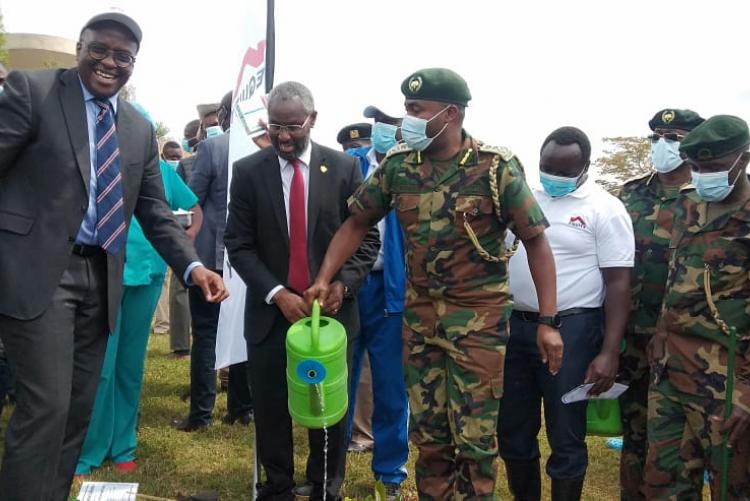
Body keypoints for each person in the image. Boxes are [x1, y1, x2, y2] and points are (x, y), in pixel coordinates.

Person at [305, 68, 562, 500]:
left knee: (475, 441)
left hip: (478, 324)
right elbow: (356, 222)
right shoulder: (399, 167)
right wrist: (323, 278)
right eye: (407, 108)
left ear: (451, 113)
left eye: (416, 110)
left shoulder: (494, 169)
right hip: (421, 323)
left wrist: (548, 320)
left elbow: (536, 243)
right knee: (430, 438)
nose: (407, 119)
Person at [0, 12, 227, 499]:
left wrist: (193, 265)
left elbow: (154, 210)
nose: (109, 62)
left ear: (133, 65)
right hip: (39, 274)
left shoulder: (137, 129)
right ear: (80, 48)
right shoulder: (31, 91)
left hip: (102, 278)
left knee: (78, 408)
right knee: (46, 406)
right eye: (99, 49)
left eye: (123, 57)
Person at [224, 81, 379, 501]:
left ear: (312, 120)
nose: (285, 136)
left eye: (293, 126)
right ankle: (277, 487)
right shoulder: (249, 171)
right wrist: (276, 292)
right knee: (272, 405)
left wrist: (342, 287)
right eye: (276, 126)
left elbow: (366, 239)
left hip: (329, 317)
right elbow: (237, 243)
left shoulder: (344, 169)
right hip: (272, 313)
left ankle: (325, 484)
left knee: (326, 407)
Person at [499, 126, 634, 501]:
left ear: (585, 168)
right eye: (547, 168)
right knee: (512, 430)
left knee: (566, 433)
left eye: (563, 171)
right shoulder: (524, 199)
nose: (553, 177)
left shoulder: (605, 208)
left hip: (574, 329)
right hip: (517, 326)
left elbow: (619, 283)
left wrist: (609, 351)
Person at [76, 104, 203, 475]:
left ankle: (124, 444)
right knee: (101, 366)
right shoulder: (94, 162)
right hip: (103, 274)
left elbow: (193, 209)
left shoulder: (161, 170)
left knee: (130, 365)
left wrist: (185, 244)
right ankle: (91, 448)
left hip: (146, 275)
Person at [645, 115, 750, 500]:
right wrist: (659, 335)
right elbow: (677, 278)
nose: (705, 176)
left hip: (727, 382)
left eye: (715, 168)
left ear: (743, 160)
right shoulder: (687, 205)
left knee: (732, 486)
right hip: (670, 374)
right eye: (699, 168)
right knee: (663, 485)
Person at [617, 108, 704, 500]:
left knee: (682, 438)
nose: (662, 146)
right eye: (657, 137)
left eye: (674, 137)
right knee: (635, 428)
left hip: (689, 341)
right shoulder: (631, 193)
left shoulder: (711, 195)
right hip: (633, 332)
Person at [340, 105, 409, 499]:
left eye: (394, 127)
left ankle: (390, 472)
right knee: (339, 377)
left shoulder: (414, 170)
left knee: (390, 384)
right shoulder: (348, 165)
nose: (386, 133)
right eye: (381, 125)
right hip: (348, 285)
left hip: (391, 289)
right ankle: (332, 461)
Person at [173, 91, 253, 430]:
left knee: (206, 334)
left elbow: (193, 202)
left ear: (224, 114)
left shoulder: (211, 149)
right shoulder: (264, 147)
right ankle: (241, 409)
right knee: (244, 333)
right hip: (249, 260)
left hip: (213, 258)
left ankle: (201, 414)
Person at [170, 119, 203, 358]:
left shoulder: (187, 164)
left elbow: (184, 204)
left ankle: (182, 346)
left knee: (181, 288)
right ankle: (182, 344)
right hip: (194, 235)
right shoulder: (184, 164)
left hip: (192, 234)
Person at [152, 140, 185, 335]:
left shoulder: (183, 173)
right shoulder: (158, 172)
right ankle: (163, 324)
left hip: (180, 235)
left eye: (178, 158)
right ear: (163, 157)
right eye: (172, 158)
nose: (176, 161)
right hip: (160, 234)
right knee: (162, 279)